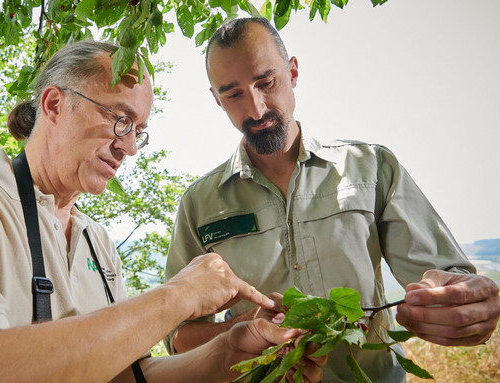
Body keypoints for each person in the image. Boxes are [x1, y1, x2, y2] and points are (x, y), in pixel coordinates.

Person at [0, 39, 326, 382]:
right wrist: (178, 296)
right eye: (119, 119)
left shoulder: (97, 242)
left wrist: (229, 349)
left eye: (139, 131)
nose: (128, 147)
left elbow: (128, 375)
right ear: (54, 104)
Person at [164, 16, 500, 382]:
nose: (256, 109)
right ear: (216, 100)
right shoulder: (198, 204)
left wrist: (466, 307)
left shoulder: (371, 167)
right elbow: (179, 337)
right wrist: (244, 329)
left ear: (293, 72)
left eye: (266, 82)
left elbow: (450, 282)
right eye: (233, 94)